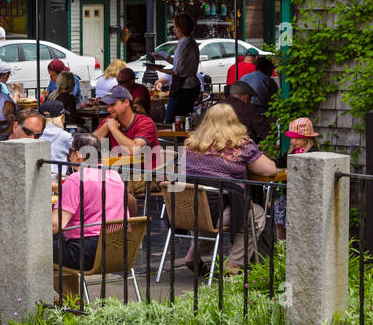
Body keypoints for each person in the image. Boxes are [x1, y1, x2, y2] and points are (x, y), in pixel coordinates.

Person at [180, 102, 278, 274]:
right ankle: (233, 265)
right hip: (217, 212)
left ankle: (193, 254)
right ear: (234, 122)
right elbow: (270, 170)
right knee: (255, 215)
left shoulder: (189, 146)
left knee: (210, 210)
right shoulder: (241, 146)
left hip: (186, 212)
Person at [53, 132, 137, 279]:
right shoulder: (115, 176)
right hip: (119, 250)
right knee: (56, 246)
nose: (68, 158)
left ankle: (70, 300)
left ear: (78, 154)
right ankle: (70, 300)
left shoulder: (76, 179)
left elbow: (56, 224)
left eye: (69, 153)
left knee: (37, 248)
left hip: (87, 252)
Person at [93, 85, 161, 192]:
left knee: (119, 187)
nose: (109, 109)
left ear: (126, 102)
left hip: (148, 174)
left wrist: (113, 129)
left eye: (113, 104)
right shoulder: (109, 121)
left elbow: (134, 150)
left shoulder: (145, 122)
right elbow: (89, 144)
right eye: (108, 105)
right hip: (119, 172)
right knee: (91, 182)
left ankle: (123, 209)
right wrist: (106, 126)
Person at [274, 117, 320, 239]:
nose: (294, 141)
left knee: (294, 225)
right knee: (279, 220)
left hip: (303, 195)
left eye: (297, 138)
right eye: (292, 138)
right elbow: (279, 162)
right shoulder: (291, 152)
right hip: (288, 193)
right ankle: (281, 247)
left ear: (307, 138)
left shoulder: (313, 153)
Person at [157, 13, 200, 123]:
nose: (174, 29)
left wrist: (158, 69)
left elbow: (177, 71)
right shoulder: (191, 42)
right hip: (190, 86)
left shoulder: (184, 44)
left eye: (176, 26)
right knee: (183, 119)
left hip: (183, 88)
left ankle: (177, 140)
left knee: (172, 120)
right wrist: (164, 56)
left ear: (181, 28)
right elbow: (179, 64)